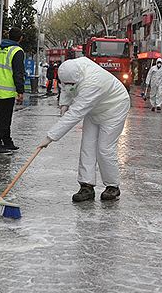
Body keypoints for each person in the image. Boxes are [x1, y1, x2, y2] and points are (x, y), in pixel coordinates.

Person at [38, 57, 130, 202]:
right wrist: (64, 104)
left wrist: (50, 136)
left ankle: (112, 186)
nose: (68, 86)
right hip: (94, 109)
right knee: (87, 146)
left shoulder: (93, 83)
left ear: (79, 78)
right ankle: (86, 186)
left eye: (72, 84)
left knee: (104, 148)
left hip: (114, 107)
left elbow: (76, 113)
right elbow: (66, 88)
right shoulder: (70, 69)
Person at [0, 27, 25, 153]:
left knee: (4, 117)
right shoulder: (17, 50)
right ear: (20, 38)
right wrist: (20, 91)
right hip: (7, 90)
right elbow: (18, 73)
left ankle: (7, 141)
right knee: (3, 118)